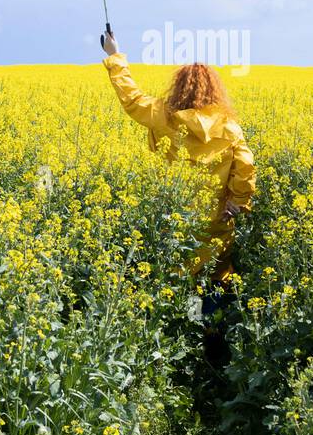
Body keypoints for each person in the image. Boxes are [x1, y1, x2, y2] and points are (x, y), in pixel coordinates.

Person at [100, 29, 255, 285]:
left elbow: (132, 98)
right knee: (216, 274)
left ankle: (180, 321)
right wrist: (237, 202)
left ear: (178, 88)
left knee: (178, 275)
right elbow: (246, 165)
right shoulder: (229, 127)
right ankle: (213, 322)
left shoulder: (163, 116)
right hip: (217, 217)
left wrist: (114, 54)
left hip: (175, 217)